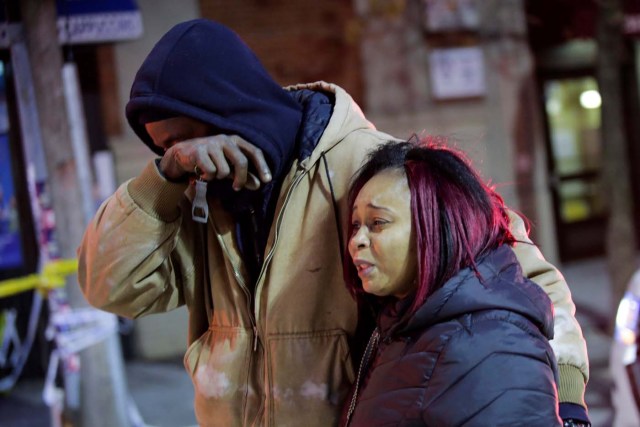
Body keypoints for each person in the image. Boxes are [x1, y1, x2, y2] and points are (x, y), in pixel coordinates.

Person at [77, 19, 590, 426]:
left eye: (183, 140)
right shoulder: (200, 198)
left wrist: (565, 403)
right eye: (167, 150)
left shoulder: (375, 170)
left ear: (230, 111)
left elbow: (528, 284)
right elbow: (110, 285)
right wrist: (162, 177)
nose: (185, 158)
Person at [342, 139, 561, 426]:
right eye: (356, 225)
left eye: (378, 223)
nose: (356, 241)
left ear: (436, 223)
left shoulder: (492, 345)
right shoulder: (402, 327)